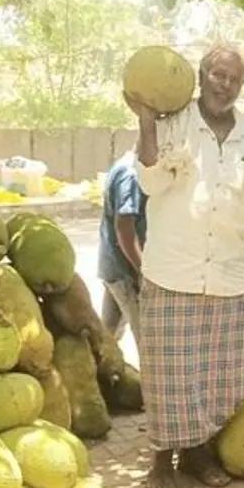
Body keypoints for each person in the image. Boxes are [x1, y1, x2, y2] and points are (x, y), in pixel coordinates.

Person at [125, 45, 244, 488]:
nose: (225, 85)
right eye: (218, 74)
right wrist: (146, 120)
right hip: (172, 271)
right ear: (201, 76)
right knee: (168, 376)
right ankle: (162, 457)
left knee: (215, 374)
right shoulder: (172, 124)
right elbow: (149, 181)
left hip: (226, 273)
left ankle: (197, 452)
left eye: (234, 79)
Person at [98, 149, 147, 348]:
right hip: (127, 271)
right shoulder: (132, 174)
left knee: (106, 338)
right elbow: (124, 225)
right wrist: (142, 270)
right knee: (148, 342)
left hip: (114, 266)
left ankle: (100, 365)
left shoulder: (125, 164)